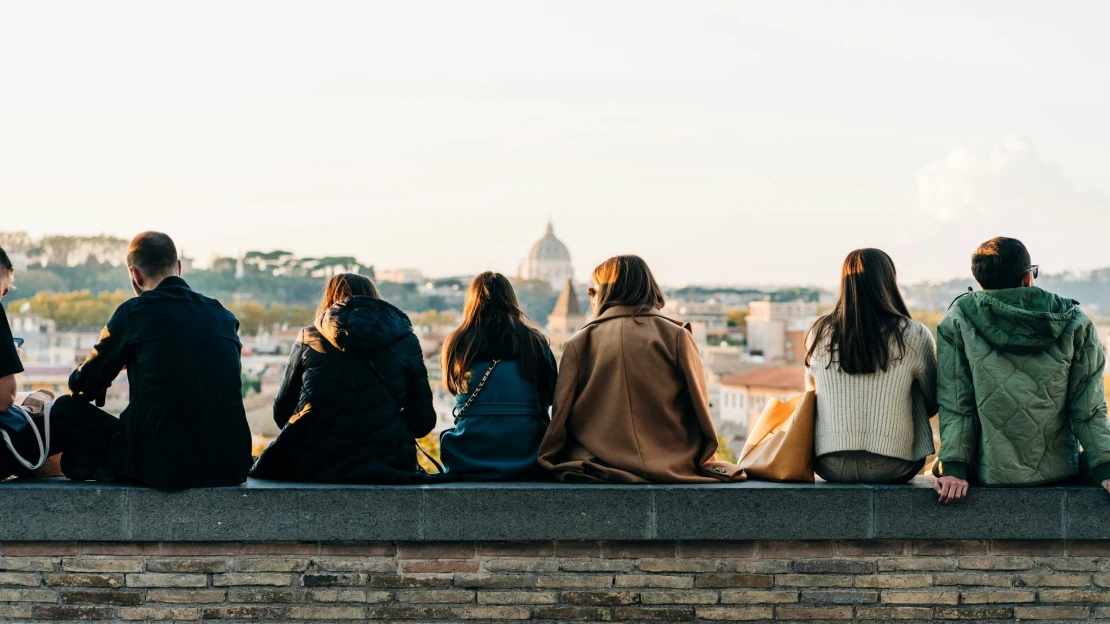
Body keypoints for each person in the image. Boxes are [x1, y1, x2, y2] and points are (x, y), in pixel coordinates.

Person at [48, 232, 253, 490]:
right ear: (178, 267)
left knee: (64, 409)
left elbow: (80, 386)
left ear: (134, 274)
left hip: (163, 466)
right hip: (231, 465)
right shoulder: (223, 315)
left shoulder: (135, 312)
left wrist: (116, 362)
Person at [934, 237, 1110, 504]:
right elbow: (1089, 407)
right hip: (1061, 469)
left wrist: (953, 469)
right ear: (1028, 278)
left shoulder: (958, 320)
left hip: (987, 470)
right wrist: (1105, 469)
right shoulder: (1075, 321)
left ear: (981, 285)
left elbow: (956, 403)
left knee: (933, 468)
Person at [537, 255, 742, 483]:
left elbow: (561, 414)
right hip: (673, 462)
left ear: (603, 294)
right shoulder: (676, 336)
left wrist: (551, 458)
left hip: (597, 464)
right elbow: (700, 409)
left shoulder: (579, 343)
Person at [250, 273, 436, 484]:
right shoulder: (405, 340)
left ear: (329, 298)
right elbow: (423, 422)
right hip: (387, 462)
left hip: (313, 461)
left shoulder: (308, 338)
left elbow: (282, 413)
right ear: (374, 297)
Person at [805, 249, 937, 484]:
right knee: (912, 386)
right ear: (889, 281)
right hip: (893, 465)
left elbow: (811, 395)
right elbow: (933, 400)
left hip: (828, 465)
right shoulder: (913, 333)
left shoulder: (819, 332)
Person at [438, 272, 556, 480]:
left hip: (469, 453)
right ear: (511, 299)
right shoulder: (534, 342)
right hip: (527, 451)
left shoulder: (458, 342)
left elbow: (451, 387)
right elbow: (550, 395)